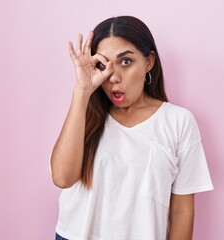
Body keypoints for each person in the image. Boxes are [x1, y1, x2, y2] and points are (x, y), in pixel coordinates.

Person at [50, 15, 214, 240]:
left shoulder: (178, 122)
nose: (114, 77)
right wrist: (82, 90)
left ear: (149, 62)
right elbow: (62, 178)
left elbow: (181, 210)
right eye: (102, 64)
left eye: (125, 61)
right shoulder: (86, 113)